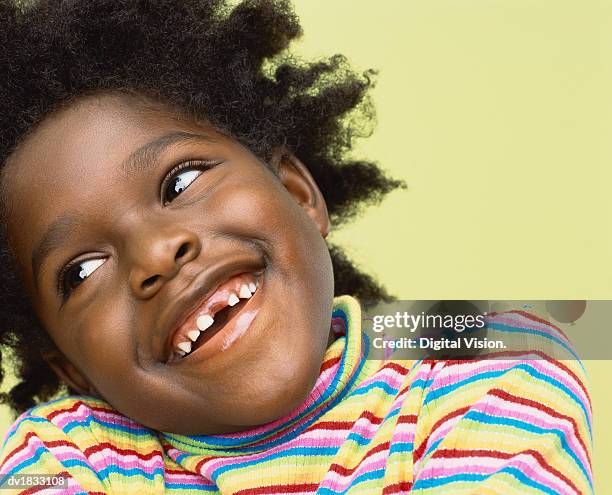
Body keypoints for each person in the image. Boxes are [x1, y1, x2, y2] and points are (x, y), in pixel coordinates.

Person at [0, 0, 593, 493]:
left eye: (179, 183)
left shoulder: (483, 349)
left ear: (298, 194)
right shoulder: (57, 453)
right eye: (81, 271)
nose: (156, 255)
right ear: (74, 370)